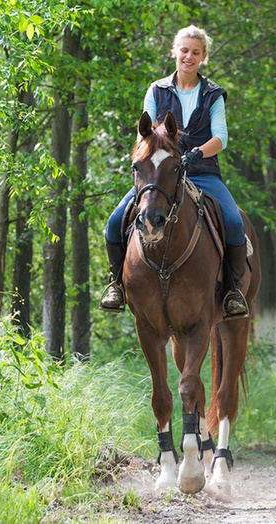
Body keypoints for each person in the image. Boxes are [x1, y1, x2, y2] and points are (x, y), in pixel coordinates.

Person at [100, 25, 249, 320]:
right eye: (184, 50)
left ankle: (233, 291)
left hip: (202, 171)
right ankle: (116, 284)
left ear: (203, 56)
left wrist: (196, 153)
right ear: (174, 52)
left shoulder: (213, 94)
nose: (188, 56)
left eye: (195, 52)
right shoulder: (157, 90)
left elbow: (221, 136)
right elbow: (145, 135)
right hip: (160, 175)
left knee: (233, 222)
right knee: (114, 221)